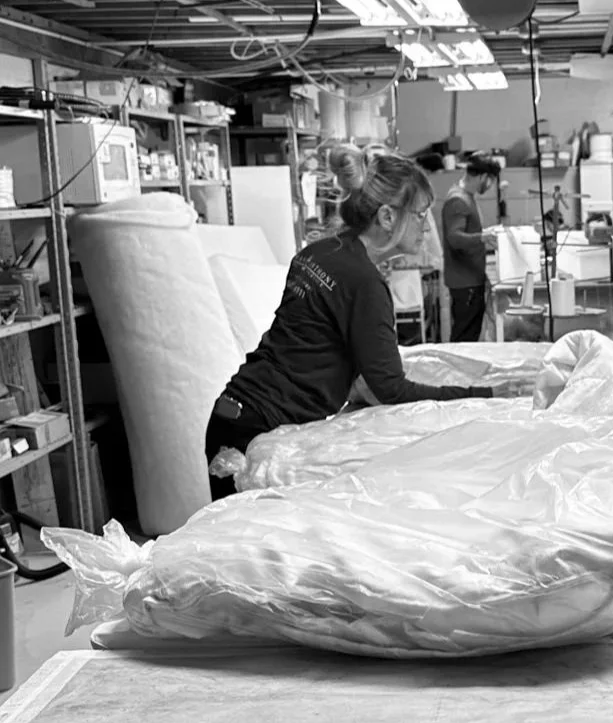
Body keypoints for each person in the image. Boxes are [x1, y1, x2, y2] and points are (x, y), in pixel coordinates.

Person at [204, 149, 493, 499]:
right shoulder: (365, 283)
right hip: (256, 440)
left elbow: (314, 344)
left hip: (233, 414)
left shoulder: (318, 252)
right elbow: (391, 390)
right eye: (420, 215)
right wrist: (481, 396)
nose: (427, 226)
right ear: (387, 216)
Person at [441, 154, 500, 342]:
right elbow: (454, 238)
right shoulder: (458, 201)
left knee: (469, 335)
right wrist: (482, 237)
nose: (490, 186)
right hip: (465, 282)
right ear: (483, 176)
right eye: (490, 180)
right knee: (464, 338)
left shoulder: (466, 196)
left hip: (470, 279)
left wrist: (482, 235)